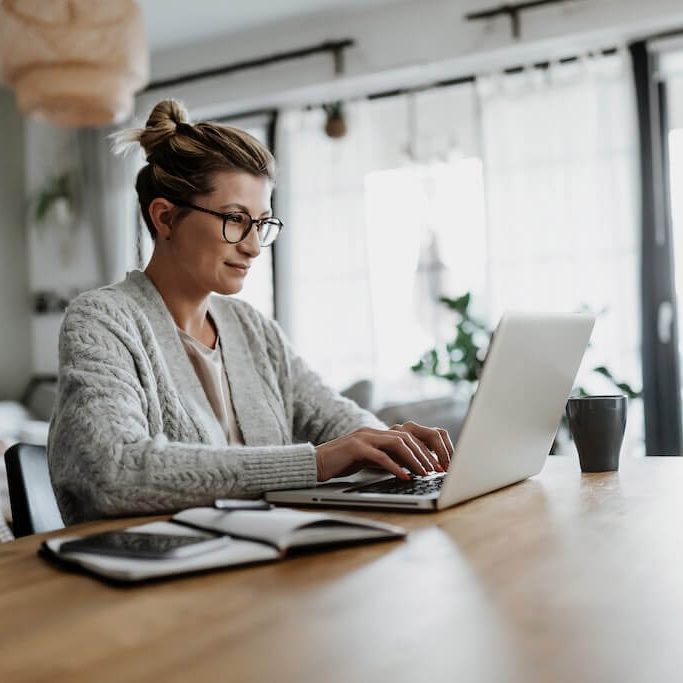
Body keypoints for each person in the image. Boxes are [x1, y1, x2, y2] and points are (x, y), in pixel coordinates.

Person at [48, 99, 453, 525]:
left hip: (261, 559)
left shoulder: (252, 328)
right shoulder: (102, 320)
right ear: (166, 218)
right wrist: (313, 464)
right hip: (151, 574)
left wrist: (392, 444)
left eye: (261, 223)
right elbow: (113, 471)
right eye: (236, 219)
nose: (254, 246)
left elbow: (334, 418)